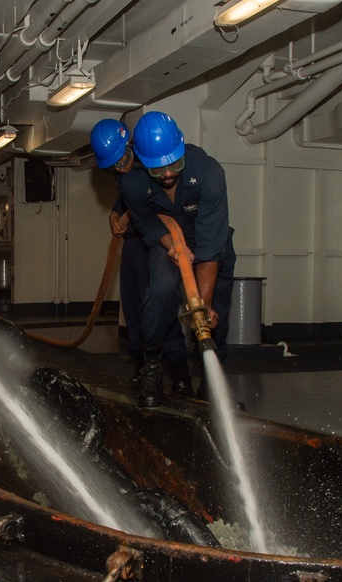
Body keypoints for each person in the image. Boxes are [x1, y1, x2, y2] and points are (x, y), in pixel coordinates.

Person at [119, 111, 236, 408]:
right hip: (167, 241)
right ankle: (151, 368)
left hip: (211, 241)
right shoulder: (132, 184)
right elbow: (145, 223)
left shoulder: (209, 173)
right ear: (142, 162)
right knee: (159, 292)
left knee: (215, 313)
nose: (168, 173)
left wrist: (202, 307)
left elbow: (210, 247)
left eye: (174, 164)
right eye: (157, 170)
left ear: (182, 149)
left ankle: (212, 386)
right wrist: (169, 242)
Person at [89, 119, 193, 396]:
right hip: (135, 241)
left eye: (122, 159)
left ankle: (180, 374)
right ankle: (145, 370)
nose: (119, 168)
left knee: (160, 304)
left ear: (130, 145)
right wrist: (114, 212)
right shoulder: (120, 166)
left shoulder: (152, 161)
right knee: (134, 305)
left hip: (159, 239)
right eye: (112, 166)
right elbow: (127, 193)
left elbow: (156, 199)